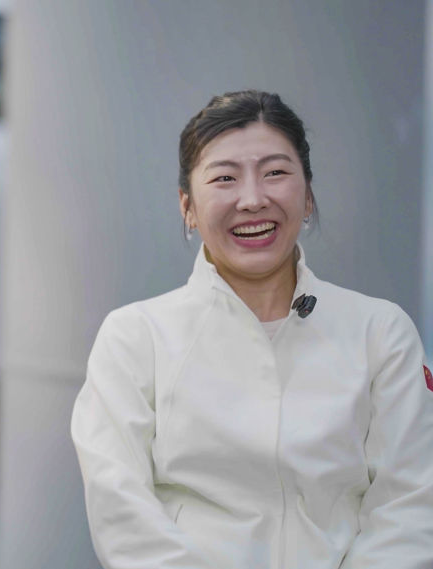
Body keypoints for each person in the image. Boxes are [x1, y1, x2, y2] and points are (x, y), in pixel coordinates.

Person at [70, 90, 433, 568]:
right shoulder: (135, 337)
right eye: (224, 178)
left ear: (307, 195)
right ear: (187, 206)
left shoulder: (380, 332)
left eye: (275, 173)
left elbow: (410, 504)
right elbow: (121, 509)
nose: (253, 199)